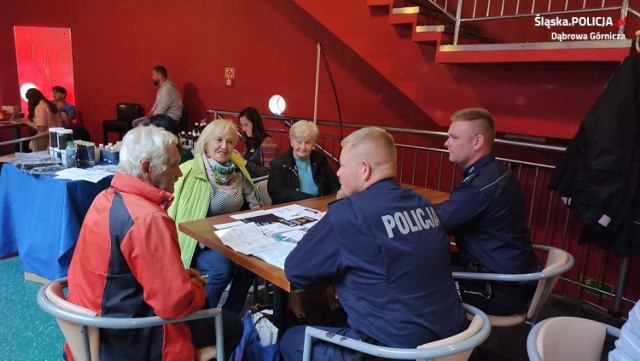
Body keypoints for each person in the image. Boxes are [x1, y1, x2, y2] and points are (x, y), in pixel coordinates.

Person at [280, 127, 467, 361]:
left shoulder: (350, 214)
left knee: (292, 339)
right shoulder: (423, 204)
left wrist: (340, 208)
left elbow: (296, 270)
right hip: (455, 343)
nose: (338, 173)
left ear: (364, 170)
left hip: (393, 352)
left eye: (343, 166)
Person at [65, 125, 243, 360]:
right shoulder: (148, 218)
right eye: (172, 165)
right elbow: (175, 305)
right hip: (131, 339)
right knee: (231, 324)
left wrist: (180, 279)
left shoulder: (104, 199)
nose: (179, 174)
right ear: (146, 168)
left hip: (91, 333)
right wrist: (197, 288)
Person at [435, 108, 540, 316]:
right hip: (510, 276)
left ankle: (450, 348)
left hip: (498, 288)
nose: (446, 143)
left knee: (413, 283)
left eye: (454, 137)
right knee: (427, 263)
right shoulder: (498, 172)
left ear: (477, 142)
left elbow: (436, 223)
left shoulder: (479, 186)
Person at [168, 119, 260, 314]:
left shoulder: (238, 171)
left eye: (230, 142)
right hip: (199, 243)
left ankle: (230, 314)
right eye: (218, 140)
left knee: (254, 264)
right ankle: (201, 317)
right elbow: (174, 213)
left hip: (233, 239)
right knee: (221, 270)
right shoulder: (189, 171)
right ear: (206, 143)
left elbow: (254, 203)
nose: (224, 147)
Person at [267, 120, 340, 204]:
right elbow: (276, 193)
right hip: (292, 210)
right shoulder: (279, 164)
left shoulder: (320, 159)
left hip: (320, 207)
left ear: (313, 144)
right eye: (299, 142)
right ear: (291, 142)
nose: (303, 147)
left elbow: (335, 186)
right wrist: (310, 199)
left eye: (307, 142)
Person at [236, 106, 279, 178]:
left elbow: (269, 173)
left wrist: (245, 162)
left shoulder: (268, 143)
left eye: (246, 125)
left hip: (260, 185)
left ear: (255, 124)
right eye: (242, 125)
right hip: (248, 182)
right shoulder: (248, 140)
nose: (243, 129)